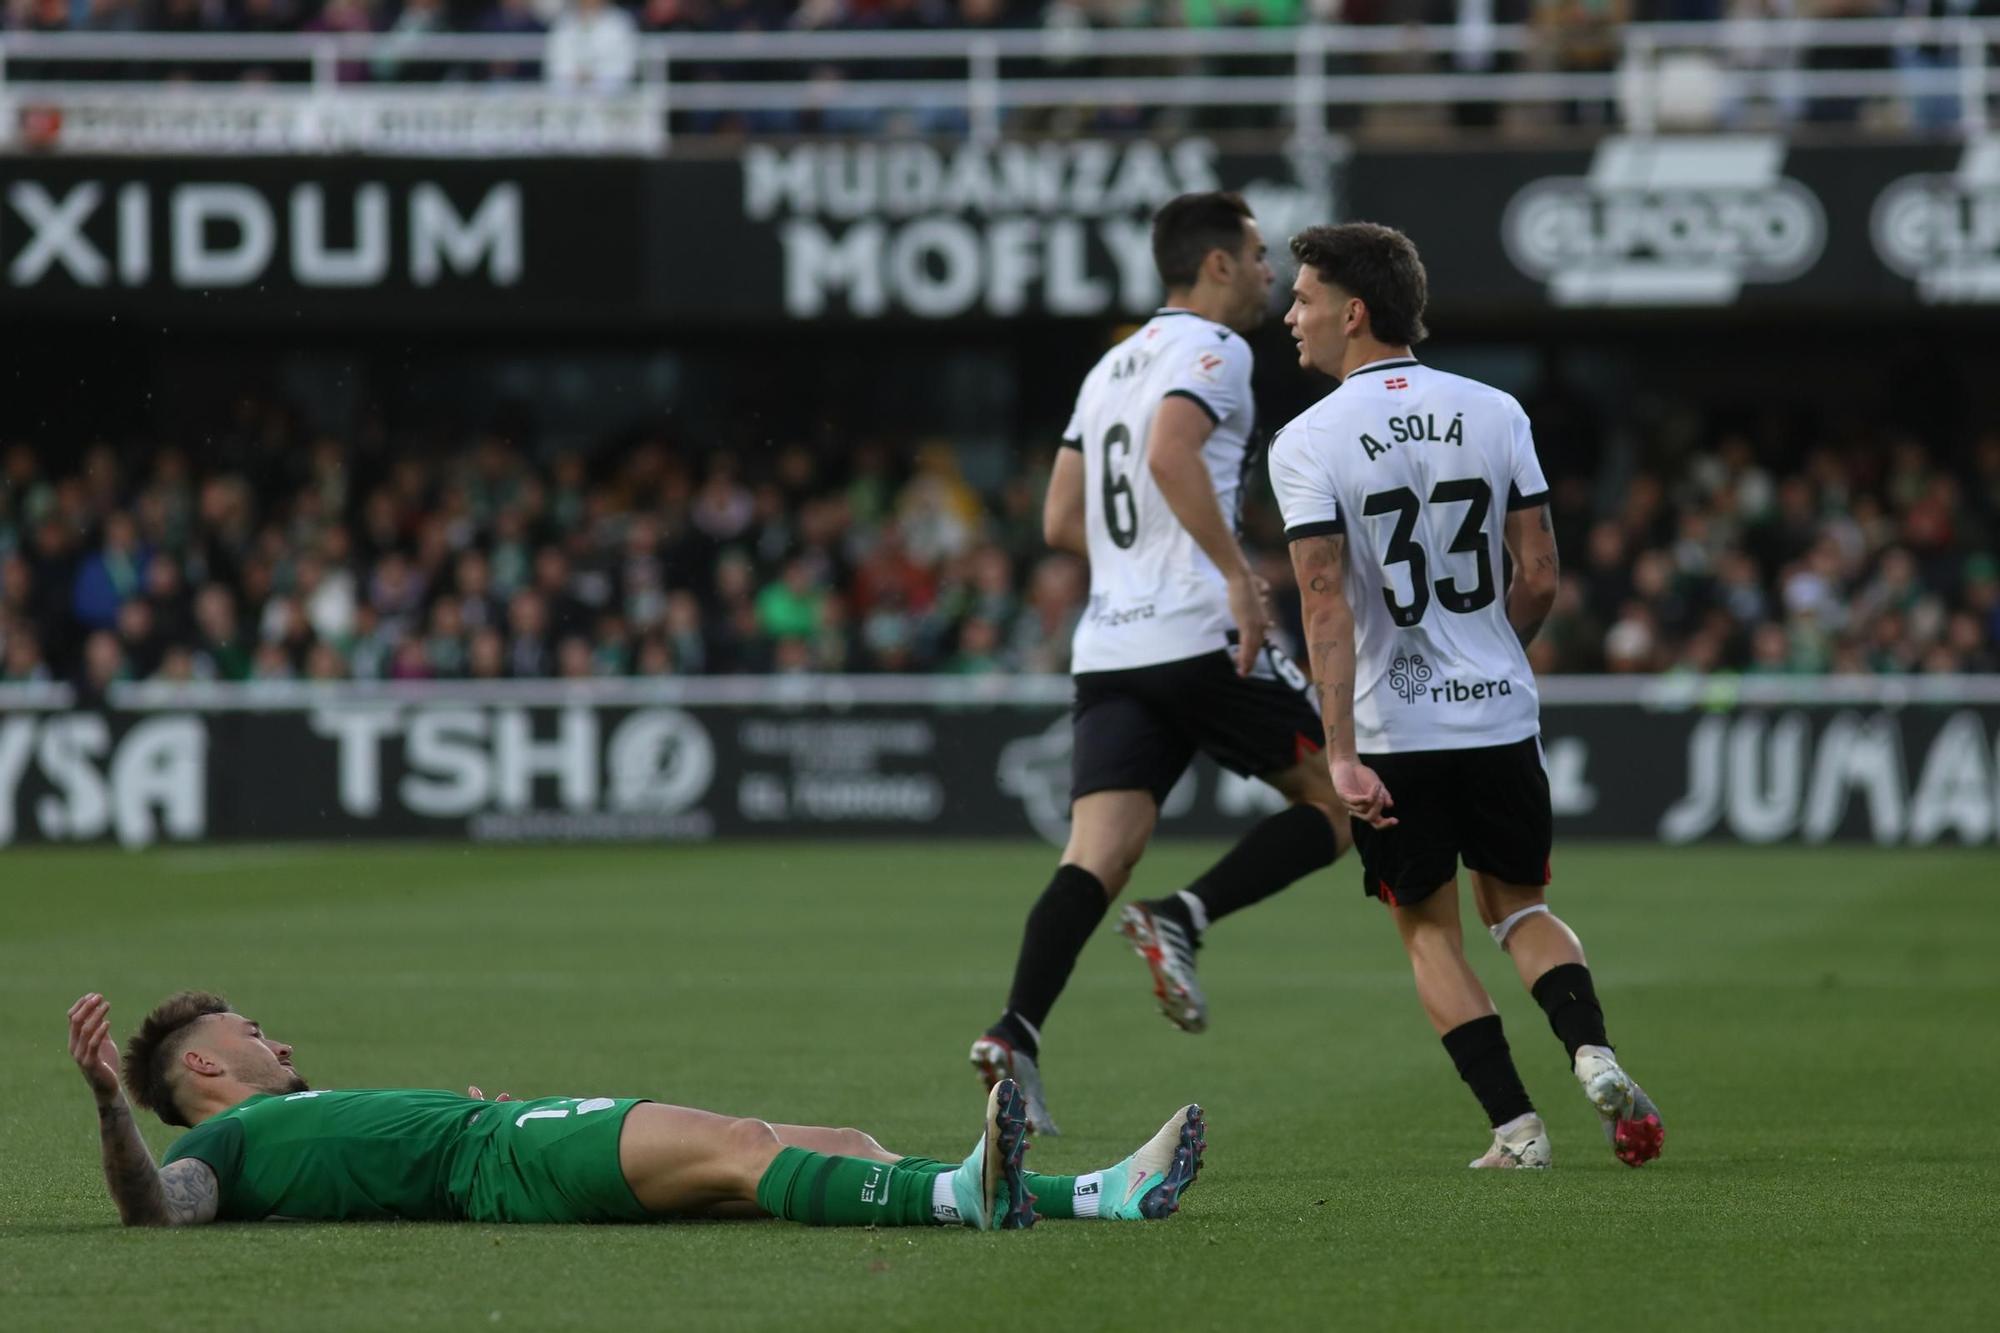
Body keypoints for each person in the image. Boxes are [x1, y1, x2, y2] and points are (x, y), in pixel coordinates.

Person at [1266, 222, 1664, 1169]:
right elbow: (1540, 571)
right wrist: (1490, 651)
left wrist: (1341, 747)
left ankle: (1517, 1130)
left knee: (1428, 935)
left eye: (1305, 297)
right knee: (1520, 907)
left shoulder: (1306, 439)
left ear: (1352, 313)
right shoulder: (1496, 411)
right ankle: (1593, 1050)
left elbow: (1324, 604)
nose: (1292, 315)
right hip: (1497, 712)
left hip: (1396, 731)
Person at [971, 192, 1353, 1134]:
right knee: (1339, 799)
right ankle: (1184, 915)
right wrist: (1233, 574)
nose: (1273, 274)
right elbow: (1173, 452)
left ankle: (1015, 1027)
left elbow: (1061, 518)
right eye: (1261, 255)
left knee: (1094, 854)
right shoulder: (1214, 351)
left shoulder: (1110, 365)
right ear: (1217, 264)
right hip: (1195, 630)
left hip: (1111, 644)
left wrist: (1137, 567)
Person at [68, 991, 1204, 1228]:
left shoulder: (291, 1115)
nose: (280, 1037)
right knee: (744, 1149)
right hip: (501, 1162)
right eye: (252, 1034)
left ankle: (1097, 1194)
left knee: (843, 1146)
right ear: (205, 1073)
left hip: (511, 1132)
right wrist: (118, 1109)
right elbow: (156, 1208)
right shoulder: (221, 1140)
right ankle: (968, 1195)